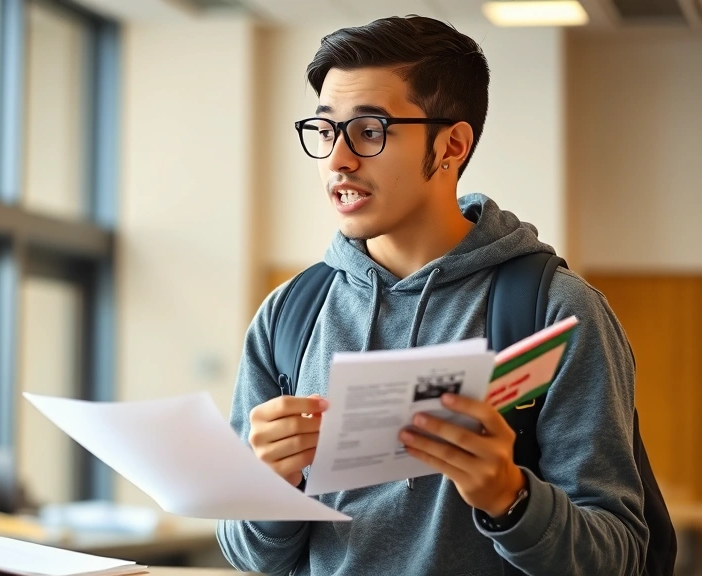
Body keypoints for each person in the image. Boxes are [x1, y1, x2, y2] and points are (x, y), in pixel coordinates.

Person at [215, 15, 647, 576]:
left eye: (369, 131)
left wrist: (511, 499)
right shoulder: (288, 314)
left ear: (451, 144)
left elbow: (621, 557)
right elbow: (248, 554)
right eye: (325, 131)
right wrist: (270, 491)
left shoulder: (556, 312)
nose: (337, 159)